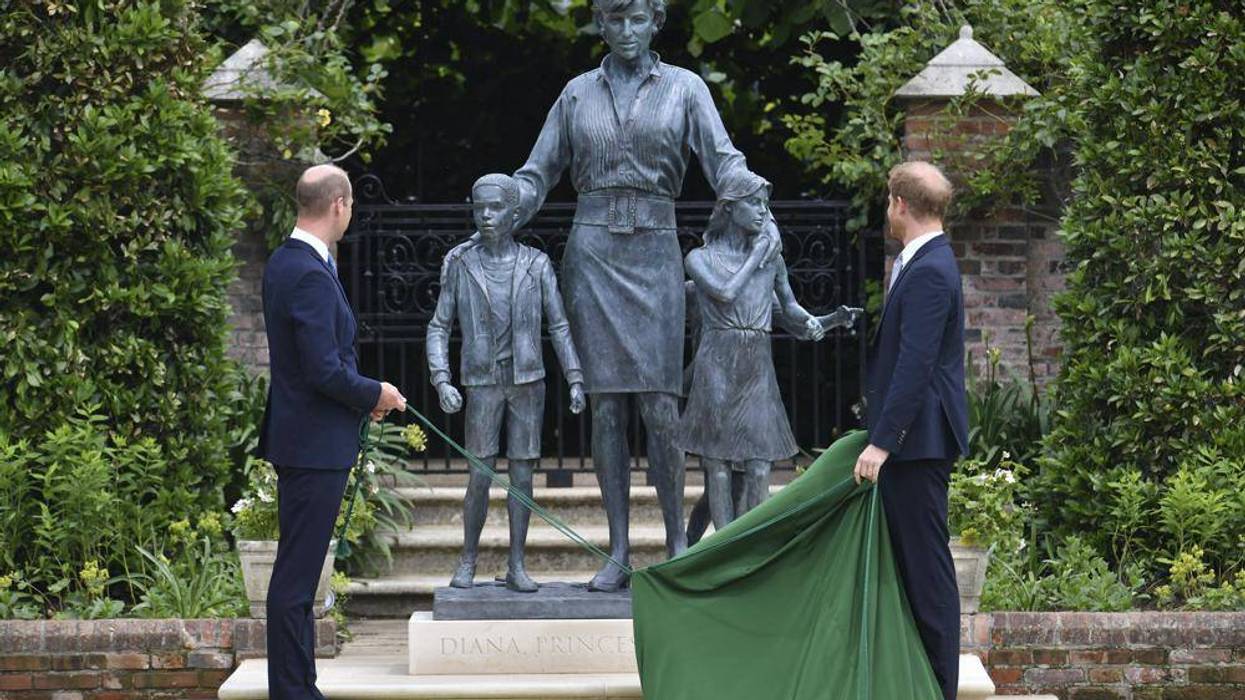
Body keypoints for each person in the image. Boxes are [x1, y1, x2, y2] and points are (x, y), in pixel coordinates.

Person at [503, 0, 780, 592]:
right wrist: (504, 211)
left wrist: (761, 211)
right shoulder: (576, 94)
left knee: (660, 404)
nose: (626, 31)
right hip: (593, 255)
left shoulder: (685, 88)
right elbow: (537, 172)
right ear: (600, 25)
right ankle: (619, 550)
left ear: (656, 23)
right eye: (615, 20)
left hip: (655, 253)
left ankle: (678, 546)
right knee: (606, 406)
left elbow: (725, 163)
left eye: (637, 20)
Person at [257, 164, 406, 700]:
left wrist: (361, 400)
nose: (351, 215)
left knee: (298, 576)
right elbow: (323, 370)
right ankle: (292, 692)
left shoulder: (288, 261)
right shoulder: (307, 273)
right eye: (351, 207)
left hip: (308, 439)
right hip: (313, 447)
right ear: (338, 204)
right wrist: (376, 394)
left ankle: (300, 687)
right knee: (296, 580)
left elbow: (313, 366)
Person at [426, 173, 587, 593]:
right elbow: (439, 326)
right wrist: (441, 379)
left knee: (523, 476)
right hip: (482, 382)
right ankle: (468, 558)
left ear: (515, 214)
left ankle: (517, 563)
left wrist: (574, 376)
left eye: (495, 208)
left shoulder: (536, 264)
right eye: (479, 208)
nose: (486, 216)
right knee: (479, 475)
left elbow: (559, 325)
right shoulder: (461, 265)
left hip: (528, 381)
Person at [853, 160, 969, 699]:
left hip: (918, 444)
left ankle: (940, 690)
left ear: (900, 204)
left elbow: (915, 365)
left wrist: (882, 441)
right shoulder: (921, 261)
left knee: (927, 572)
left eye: (887, 201)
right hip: (914, 441)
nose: (887, 209)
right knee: (914, 568)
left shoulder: (930, 269)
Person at [675, 171, 825, 530]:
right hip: (717, 359)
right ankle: (724, 546)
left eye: (765, 204)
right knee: (718, 463)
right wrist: (757, 254)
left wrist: (823, 321)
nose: (763, 212)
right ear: (729, 208)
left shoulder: (772, 260)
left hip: (756, 363)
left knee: (759, 462)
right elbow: (725, 294)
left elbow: (790, 308)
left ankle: (752, 543)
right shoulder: (699, 258)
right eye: (754, 203)